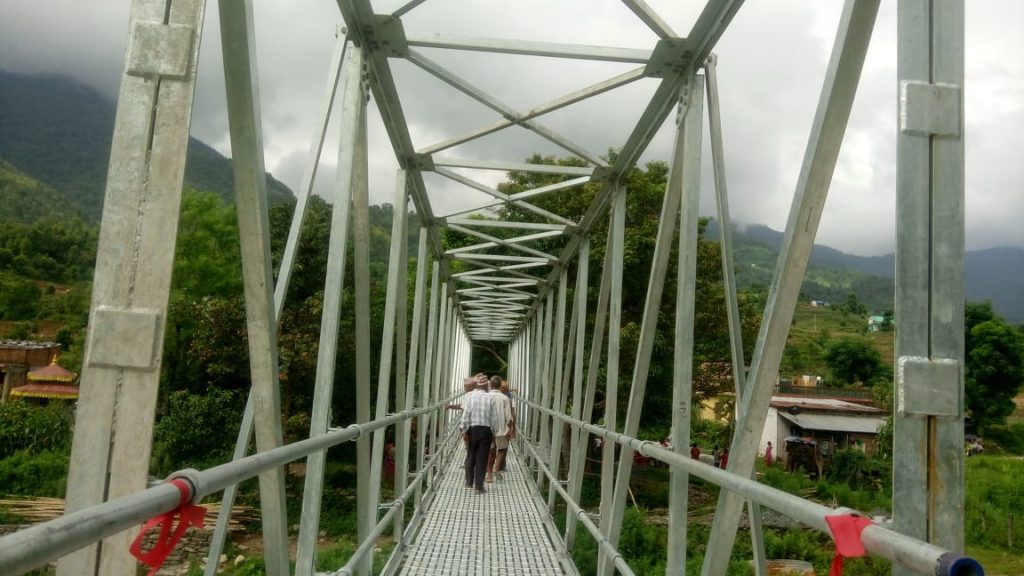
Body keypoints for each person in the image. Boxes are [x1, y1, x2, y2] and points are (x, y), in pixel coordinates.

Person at [461, 373, 498, 494]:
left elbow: (466, 415)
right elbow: (494, 418)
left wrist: (464, 430)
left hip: (473, 429)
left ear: (477, 385)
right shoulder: (490, 398)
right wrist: (494, 432)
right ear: (487, 386)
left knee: (471, 454)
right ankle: (479, 487)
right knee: (482, 459)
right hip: (486, 430)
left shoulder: (470, 397)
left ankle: (468, 482)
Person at [485, 375, 514, 483]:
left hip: (489, 429)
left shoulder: (486, 397)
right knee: (502, 450)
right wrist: (510, 429)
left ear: (490, 385)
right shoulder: (505, 398)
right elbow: (509, 417)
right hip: (502, 429)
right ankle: (496, 468)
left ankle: (489, 475)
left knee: (490, 451)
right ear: (499, 385)